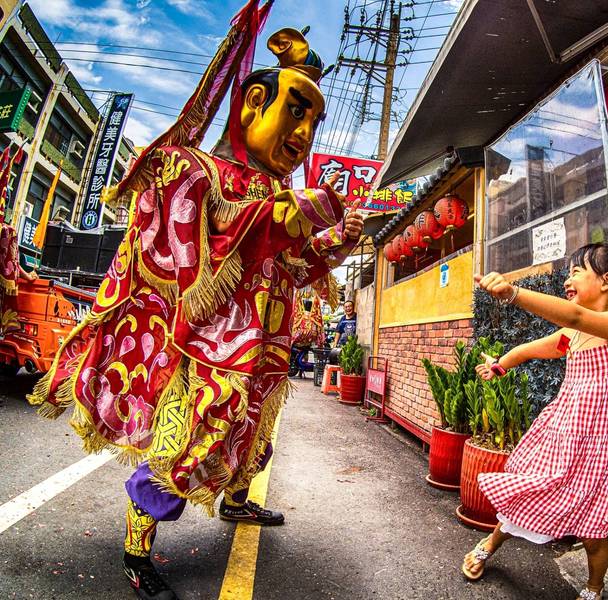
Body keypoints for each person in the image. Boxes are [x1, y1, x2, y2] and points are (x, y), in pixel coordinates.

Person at [27, 9, 363, 600]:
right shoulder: (198, 171)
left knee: (254, 436)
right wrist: (289, 217)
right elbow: (191, 242)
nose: (306, 133)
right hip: (208, 354)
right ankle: (137, 550)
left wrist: (338, 241)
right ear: (253, 102)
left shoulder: (278, 190)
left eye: (314, 117)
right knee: (186, 447)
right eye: (296, 109)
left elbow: (295, 264)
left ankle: (237, 502)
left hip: (265, 352)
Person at [463, 243, 608, 600]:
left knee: (594, 529)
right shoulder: (572, 336)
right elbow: (533, 347)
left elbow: (575, 316)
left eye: (577, 271)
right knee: (530, 491)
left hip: (603, 450)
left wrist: (513, 292)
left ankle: (593, 589)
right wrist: (500, 365)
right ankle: (488, 545)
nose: (568, 279)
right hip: (567, 434)